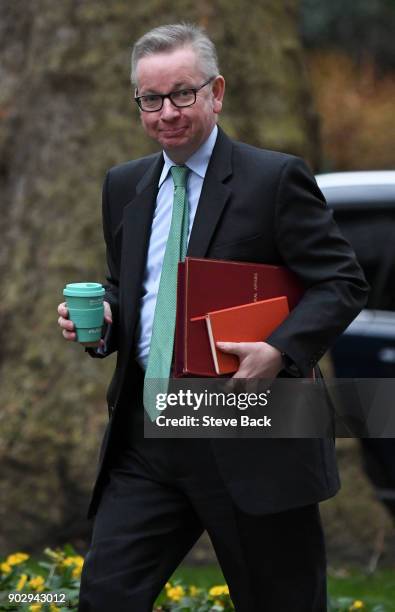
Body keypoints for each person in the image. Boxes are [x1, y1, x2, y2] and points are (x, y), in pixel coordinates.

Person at [57, 23, 369, 612]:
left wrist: (280, 349)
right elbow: (134, 291)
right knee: (106, 597)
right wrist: (103, 318)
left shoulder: (274, 178)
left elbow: (342, 281)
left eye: (183, 93)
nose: (166, 112)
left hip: (252, 426)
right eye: (151, 99)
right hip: (148, 435)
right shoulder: (123, 185)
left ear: (216, 91)